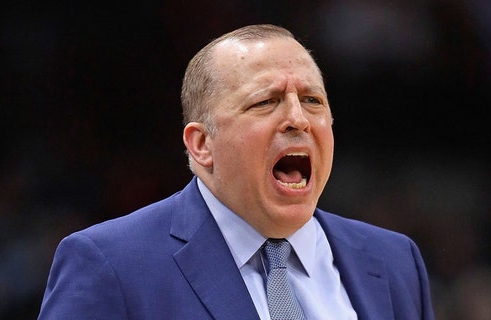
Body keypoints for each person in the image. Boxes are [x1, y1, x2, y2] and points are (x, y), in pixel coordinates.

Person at [38, 24, 434, 319]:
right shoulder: (111, 265)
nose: (298, 118)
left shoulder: (394, 261)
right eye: (266, 101)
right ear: (201, 144)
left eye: (313, 100)